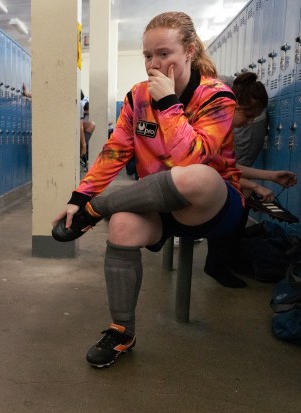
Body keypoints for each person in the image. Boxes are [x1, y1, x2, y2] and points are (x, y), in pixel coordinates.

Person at [52, 12, 244, 368]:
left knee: (194, 176)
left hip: (210, 206)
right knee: (123, 226)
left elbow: (193, 157)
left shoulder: (217, 96)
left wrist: (170, 104)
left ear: (189, 51)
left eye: (164, 53)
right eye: (148, 55)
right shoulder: (137, 98)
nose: (154, 64)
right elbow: (115, 150)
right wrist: (78, 198)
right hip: (158, 200)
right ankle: (122, 331)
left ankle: (102, 207)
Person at [204, 72, 297, 287]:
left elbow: (228, 166)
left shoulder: (224, 126)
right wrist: (255, 185)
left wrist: (271, 177)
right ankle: (216, 263)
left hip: (205, 176)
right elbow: (213, 167)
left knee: (241, 195)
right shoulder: (210, 124)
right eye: (247, 116)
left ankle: (226, 259)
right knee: (235, 198)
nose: (249, 123)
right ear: (233, 105)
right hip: (180, 181)